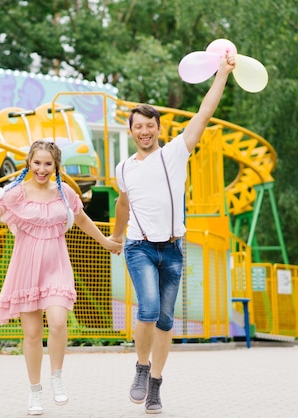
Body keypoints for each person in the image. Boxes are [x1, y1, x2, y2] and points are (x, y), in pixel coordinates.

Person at [108, 53, 236, 414]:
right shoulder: (123, 168)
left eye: (150, 126)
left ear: (158, 129)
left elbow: (204, 113)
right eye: (138, 126)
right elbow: (122, 204)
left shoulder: (176, 153)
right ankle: (141, 368)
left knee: (165, 320)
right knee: (147, 309)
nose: (145, 131)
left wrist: (222, 74)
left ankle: (156, 385)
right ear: (131, 130)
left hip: (174, 249)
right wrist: (117, 237)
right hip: (139, 248)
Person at [0, 139, 122, 416]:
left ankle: (56, 377)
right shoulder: (15, 193)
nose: (42, 168)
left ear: (56, 165)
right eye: (37, 162)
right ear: (29, 163)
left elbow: (82, 220)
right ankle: (35, 392)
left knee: (58, 321)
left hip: (56, 265)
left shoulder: (65, 193)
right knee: (33, 334)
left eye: (48, 163)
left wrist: (106, 242)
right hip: (26, 267)